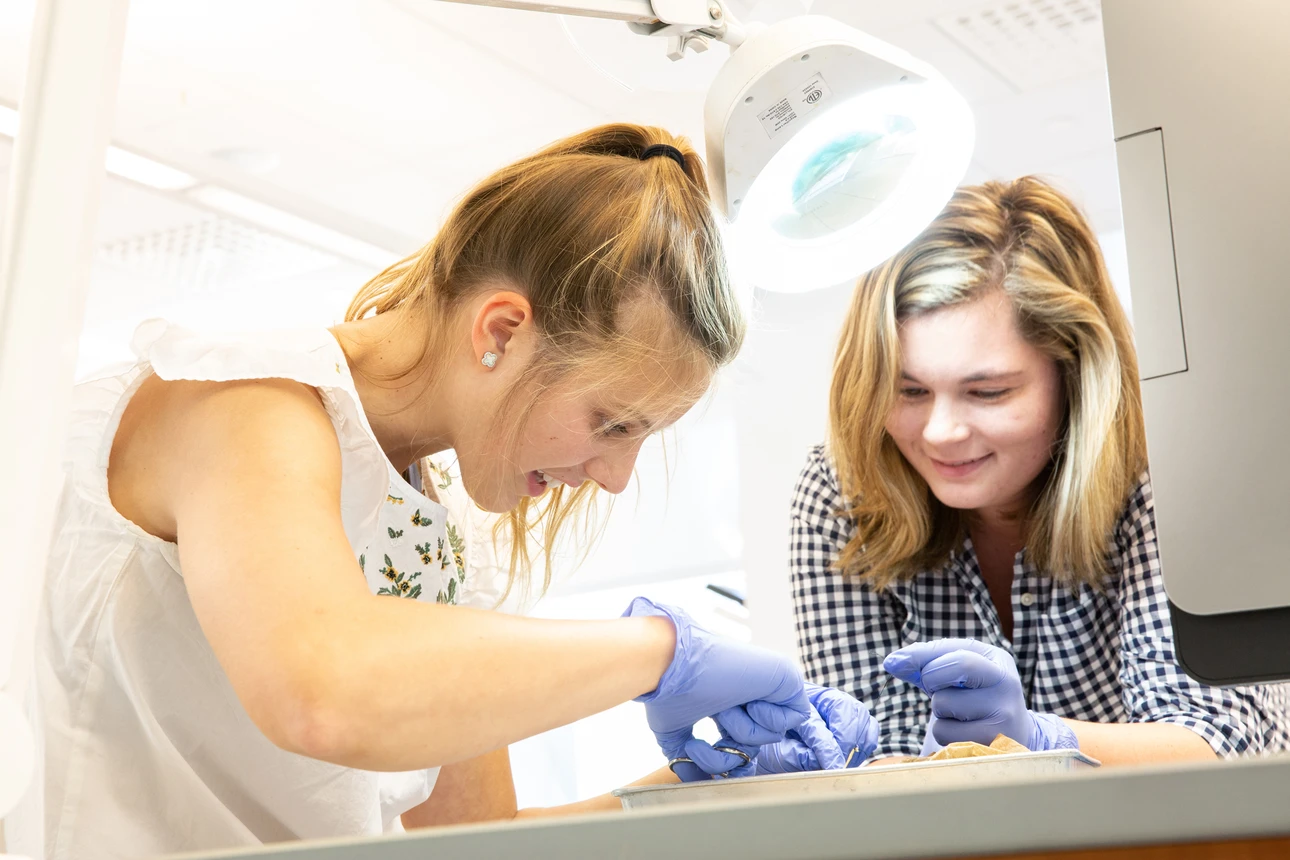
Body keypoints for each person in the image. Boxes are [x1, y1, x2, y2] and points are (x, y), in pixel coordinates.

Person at [15, 125, 877, 860]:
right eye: (614, 422)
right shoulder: (246, 401)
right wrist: (662, 653)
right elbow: (324, 689)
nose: (615, 476)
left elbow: (475, 839)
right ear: (501, 331)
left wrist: (714, 789)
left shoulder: (431, 524)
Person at [788, 176, 1289, 766]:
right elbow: (875, 763)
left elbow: (1217, 744)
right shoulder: (844, 489)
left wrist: (1039, 741)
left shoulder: (1175, 473)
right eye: (910, 390)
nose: (939, 431)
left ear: (1072, 371)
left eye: (988, 392)